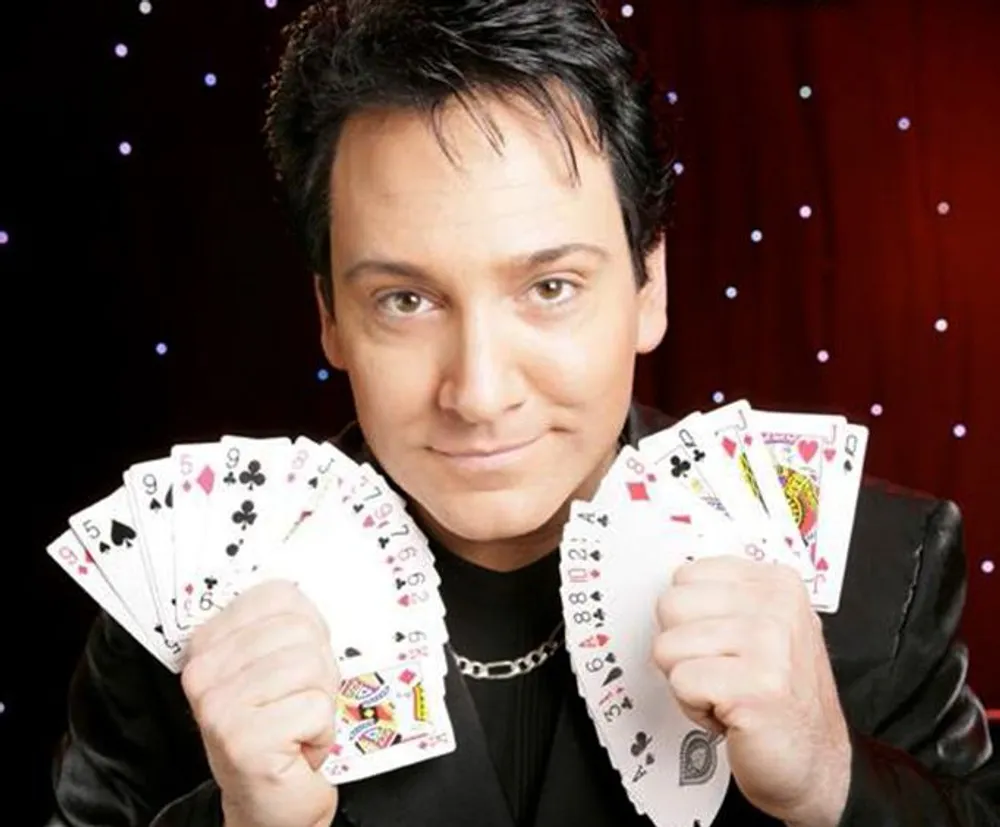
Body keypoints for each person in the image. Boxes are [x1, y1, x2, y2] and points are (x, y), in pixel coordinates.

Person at [46, 1, 998, 826]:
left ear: (648, 284)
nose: (480, 390)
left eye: (549, 286)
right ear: (330, 316)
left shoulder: (878, 576)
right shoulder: (176, 612)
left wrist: (834, 783)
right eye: (405, 301)